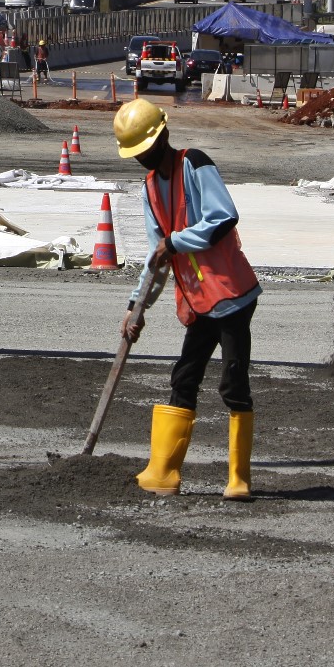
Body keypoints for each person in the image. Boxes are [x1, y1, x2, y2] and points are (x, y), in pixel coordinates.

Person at [112, 97, 260, 499]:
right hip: (197, 302)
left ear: (163, 137)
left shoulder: (194, 163)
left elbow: (223, 216)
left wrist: (175, 243)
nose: (143, 159)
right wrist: (135, 306)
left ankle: (238, 479)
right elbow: (156, 255)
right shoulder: (149, 188)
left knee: (233, 382)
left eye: (147, 149)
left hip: (231, 295)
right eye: (137, 153)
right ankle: (164, 473)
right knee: (184, 378)